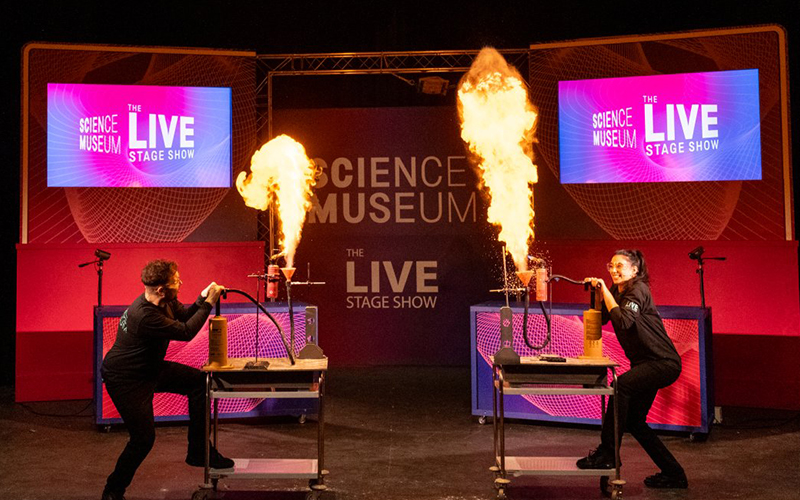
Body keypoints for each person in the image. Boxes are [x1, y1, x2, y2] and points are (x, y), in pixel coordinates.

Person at [100, 260, 234, 500]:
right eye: (176, 281)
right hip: (126, 378)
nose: (180, 284)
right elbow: (186, 332)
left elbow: (184, 315)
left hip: (150, 368)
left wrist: (202, 298)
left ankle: (198, 450)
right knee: (143, 439)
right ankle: (113, 490)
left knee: (200, 383)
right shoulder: (144, 315)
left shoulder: (167, 301)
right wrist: (211, 303)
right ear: (161, 289)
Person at [576, 249, 688, 489]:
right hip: (646, 364)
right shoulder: (618, 290)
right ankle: (674, 473)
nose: (614, 270)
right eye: (611, 266)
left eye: (620, 266)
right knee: (635, 422)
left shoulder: (638, 290)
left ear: (635, 270)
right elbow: (603, 317)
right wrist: (597, 292)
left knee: (621, 385)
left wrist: (605, 290)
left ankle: (608, 454)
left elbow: (624, 321)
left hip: (663, 363)